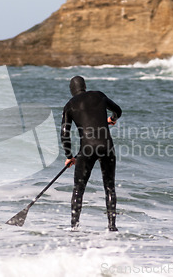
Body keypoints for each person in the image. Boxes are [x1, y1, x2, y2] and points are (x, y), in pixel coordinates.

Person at [61, 76, 122, 231]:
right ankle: (112, 227)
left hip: (87, 148)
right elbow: (118, 110)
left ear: (71, 89)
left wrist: (69, 156)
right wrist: (112, 118)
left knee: (78, 188)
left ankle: (74, 227)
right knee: (109, 187)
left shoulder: (69, 106)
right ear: (85, 86)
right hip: (106, 146)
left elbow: (64, 134)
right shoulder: (98, 95)